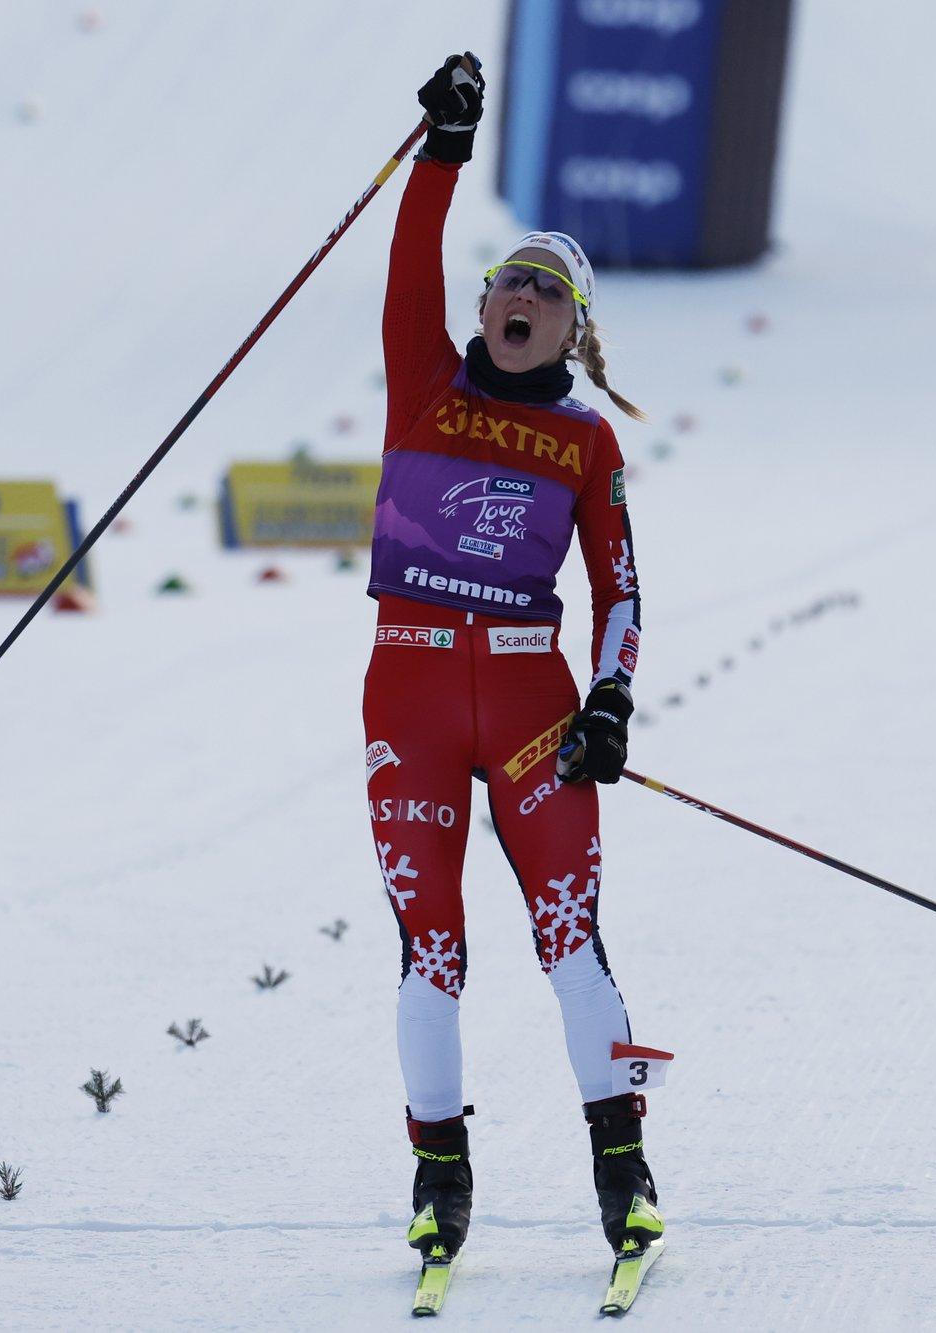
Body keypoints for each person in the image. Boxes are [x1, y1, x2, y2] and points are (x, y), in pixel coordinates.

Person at [362, 52, 661, 1272]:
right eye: (507, 282)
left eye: (545, 289)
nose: (519, 297)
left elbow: (621, 585)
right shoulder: (421, 383)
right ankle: (438, 1179)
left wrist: (610, 698)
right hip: (411, 687)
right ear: (485, 305)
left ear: (571, 330)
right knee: (431, 945)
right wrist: (441, 147)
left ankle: (623, 1175)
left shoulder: (586, 443)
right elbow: (407, 260)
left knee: (569, 937)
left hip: (536, 709)